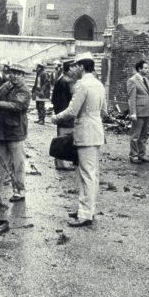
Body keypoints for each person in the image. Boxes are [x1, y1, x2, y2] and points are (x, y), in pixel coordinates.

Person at [51, 53, 106, 227]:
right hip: (96, 131)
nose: (73, 68)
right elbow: (104, 110)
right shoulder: (98, 84)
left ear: (82, 67)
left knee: (86, 174)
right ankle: (88, 210)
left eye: (75, 65)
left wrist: (55, 118)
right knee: (92, 173)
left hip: (85, 132)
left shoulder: (82, 84)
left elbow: (72, 111)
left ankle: (85, 215)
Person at [0, 63, 31, 203]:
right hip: (3, 130)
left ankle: (19, 192)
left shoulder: (24, 90)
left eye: (18, 74)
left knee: (17, 163)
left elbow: (16, 106)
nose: (14, 76)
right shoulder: (7, 86)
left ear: (23, 76)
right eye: (13, 73)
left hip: (16, 131)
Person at [51, 59, 76, 171]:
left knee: (62, 138)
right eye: (74, 67)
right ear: (69, 69)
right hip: (65, 116)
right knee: (64, 139)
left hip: (61, 113)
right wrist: (64, 116)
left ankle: (61, 162)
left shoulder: (61, 79)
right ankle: (62, 163)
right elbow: (66, 101)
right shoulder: (67, 81)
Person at [127, 59, 149, 164]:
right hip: (138, 112)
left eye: (147, 68)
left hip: (147, 111)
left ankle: (142, 154)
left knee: (144, 135)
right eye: (146, 68)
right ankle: (133, 155)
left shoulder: (146, 80)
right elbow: (131, 98)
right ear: (139, 69)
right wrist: (133, 112)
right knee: (135, 135)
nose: (148, 70)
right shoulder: (132, 80)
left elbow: (148, 95)